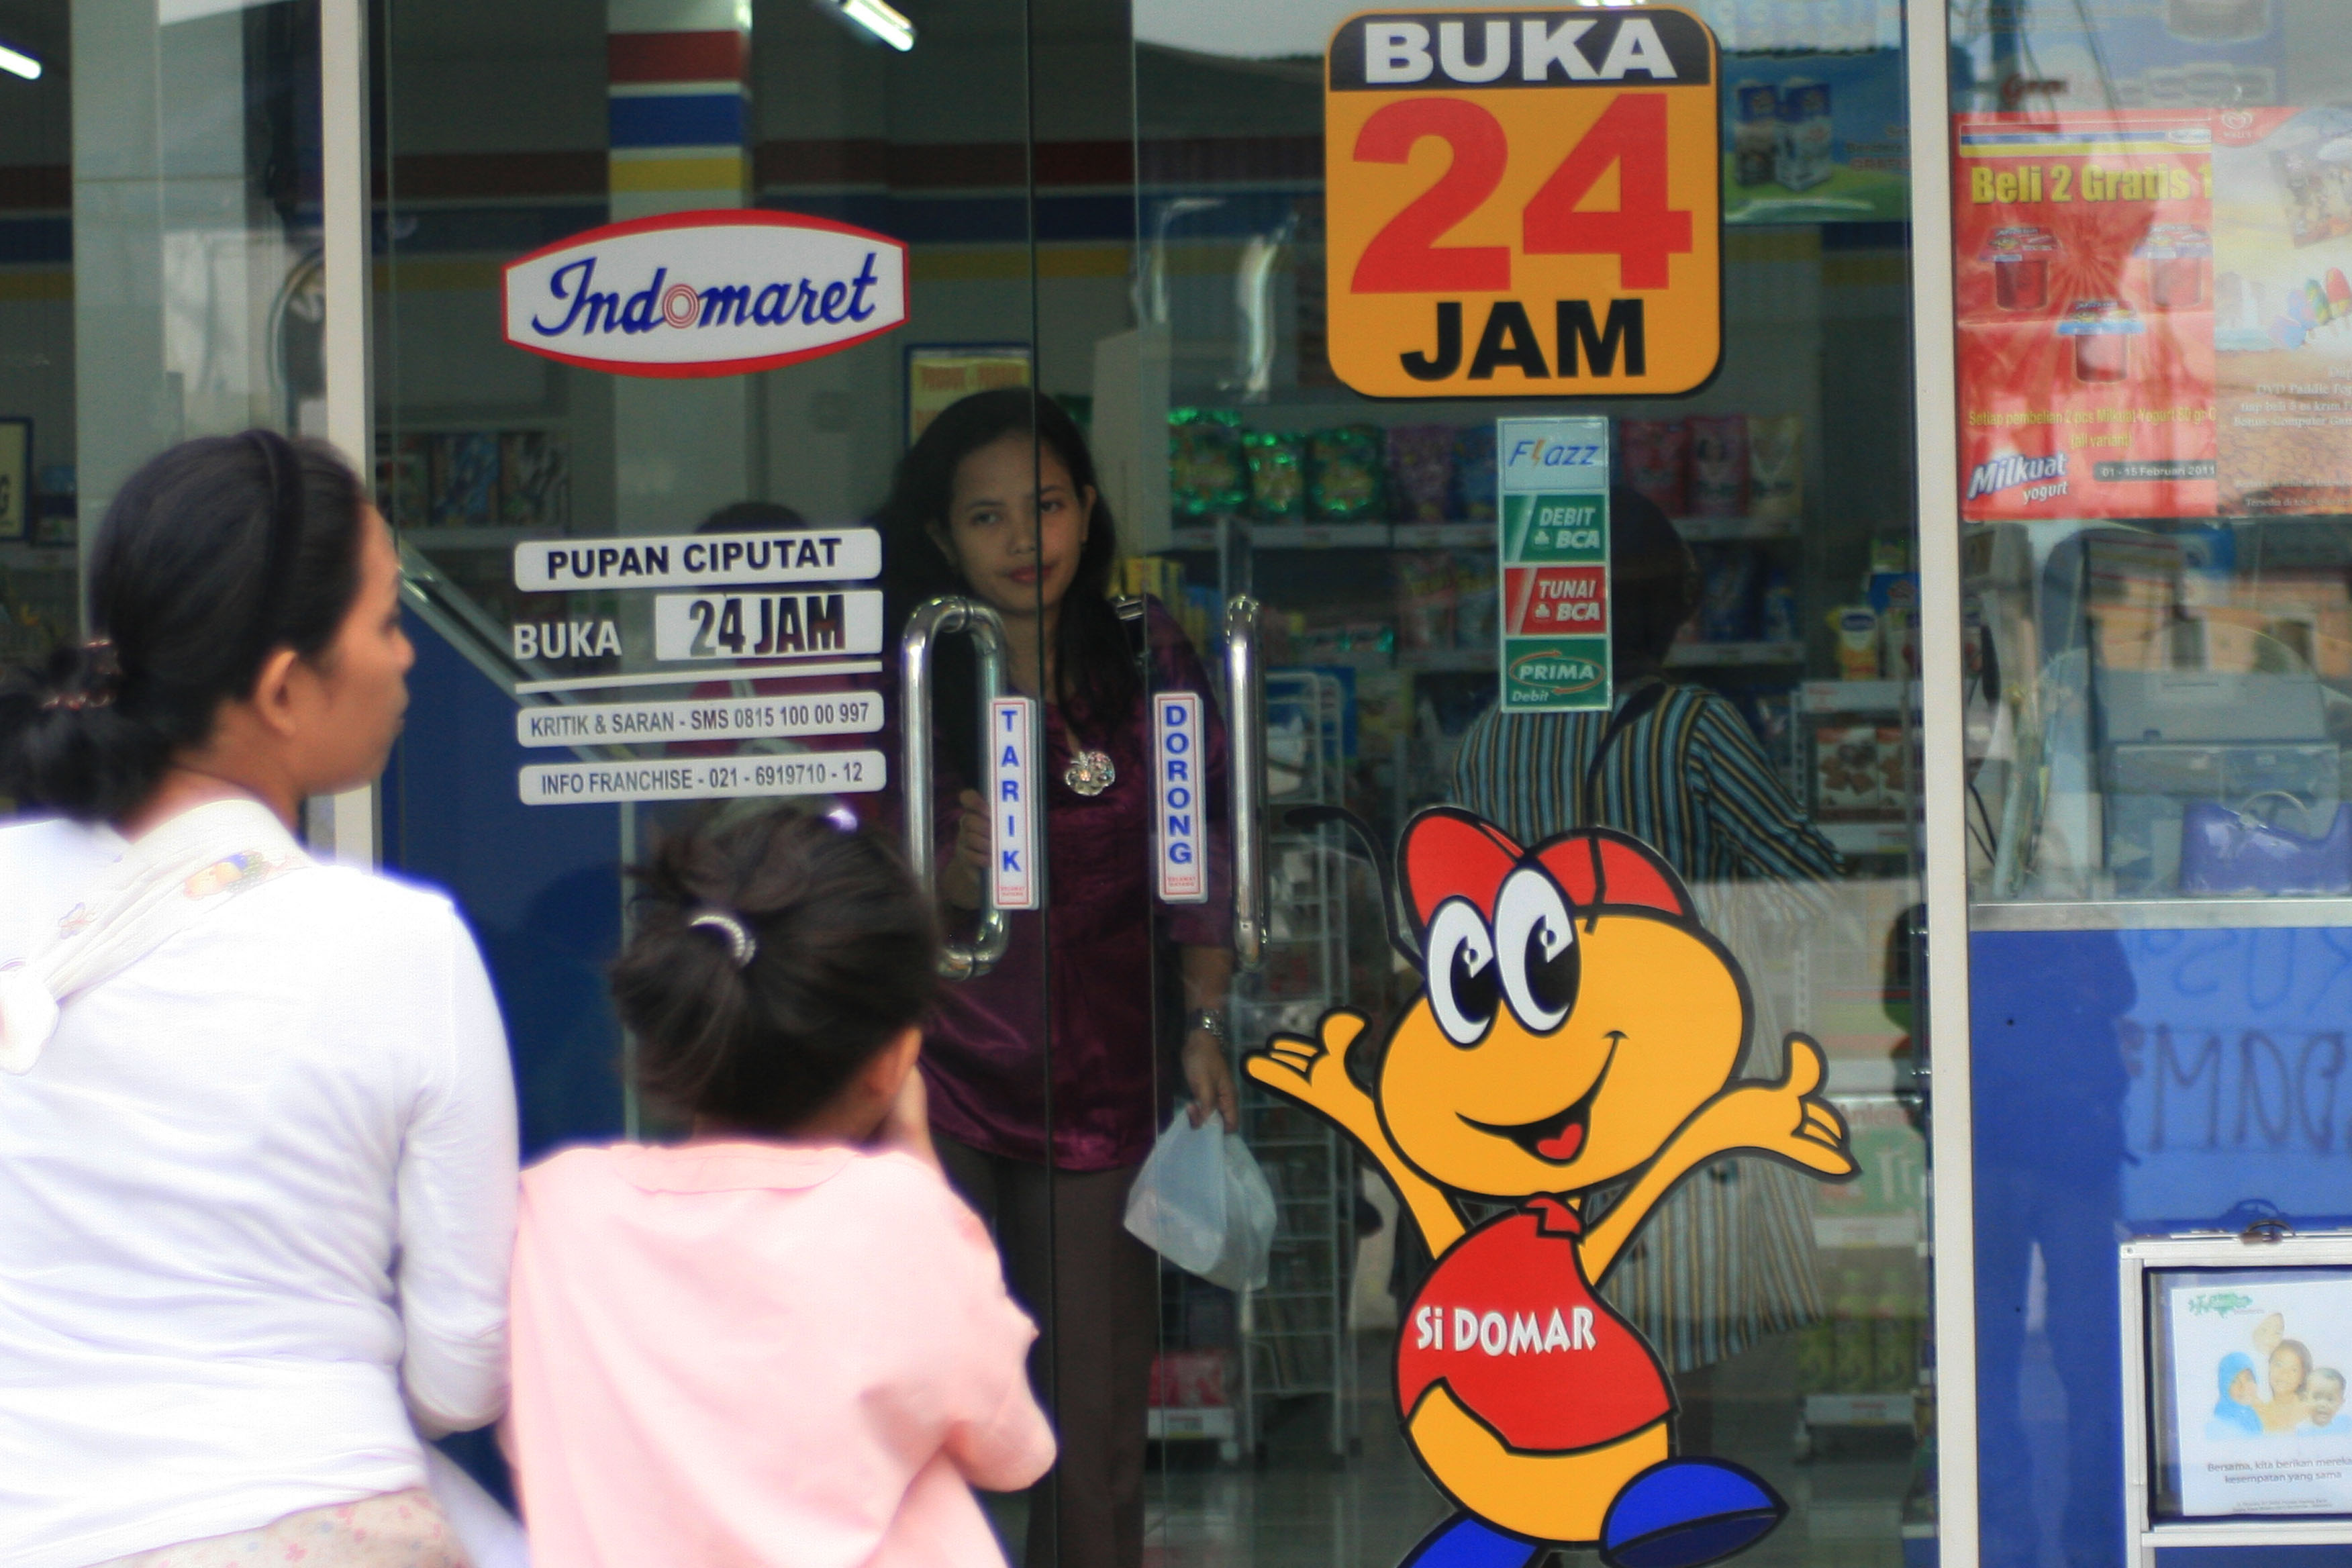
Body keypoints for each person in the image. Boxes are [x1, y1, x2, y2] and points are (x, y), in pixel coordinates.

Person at [0, 432, 518, 1568]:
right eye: (387, 623)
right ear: (284, 689)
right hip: (314, 1514)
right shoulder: (402, 947)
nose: (408, 659)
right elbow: (459, 1372)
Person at [875, 389, 1238, 1568]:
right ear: (941, 540)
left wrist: (1203, 1018)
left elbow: (1198, 848)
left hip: (1103, 1077)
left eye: (1043, 506)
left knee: (1090, 1429)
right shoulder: (917, 670)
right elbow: (859, 895)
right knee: (922, 1410)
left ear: (1086, 506)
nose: (1023, 541)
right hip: (940, 1079)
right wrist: (947, 864)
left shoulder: (1145, 652)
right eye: (986, 519)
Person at [503, 808, 1055, 1568]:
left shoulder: (553, 1210)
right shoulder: (901, 1216)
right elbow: (1014, 1450)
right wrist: (919, 1166)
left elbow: (525, 1429)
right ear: (893, 1061)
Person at [1451, 485, 1841, 1447]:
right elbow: (1808, 891)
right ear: (1677, 608)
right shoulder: (1690, 726)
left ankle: (1556, 1512)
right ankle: (1662, 1526)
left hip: (1526, 1081)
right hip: (1665, 1075)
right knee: (1671, 1329)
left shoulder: (1485, 735)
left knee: (1554, 1322)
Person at [2259, 1338, 2316, 1433]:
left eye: (2294, 1369)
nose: (2284, 1374)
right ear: (2269, 1366)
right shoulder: (2258, 1414)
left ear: (2303, 1377)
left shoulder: (2312, 1414)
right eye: (2279, 1365)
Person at [2209, 1354, 2265, 1439]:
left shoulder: (2254, 1417)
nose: (2244, 1387)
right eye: (2234, 1381)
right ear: (2224, 1386)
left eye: (2249, 1379)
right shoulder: (2219, 1425)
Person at [2300, 1367, 2349, 1434]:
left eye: (2330, 1400)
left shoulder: (2346, 1426)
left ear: (2340, 1403)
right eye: (2316, 1398)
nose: (2323, 1404)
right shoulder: (2298, 1429)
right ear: (2305, 1398)